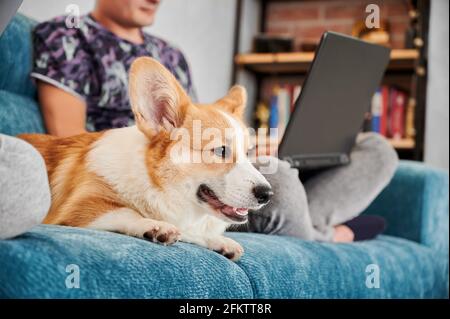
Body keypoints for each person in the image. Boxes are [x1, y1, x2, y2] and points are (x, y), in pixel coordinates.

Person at [29, 0, 398, 242]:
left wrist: (248, 148)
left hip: (206, 160)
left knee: (375, 149)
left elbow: (202, 124)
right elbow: (70, 139)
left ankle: (311, 226)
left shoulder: (170, 54)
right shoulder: (67, 36)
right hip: (146, 167)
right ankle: (326, 235)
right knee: (280, 182)